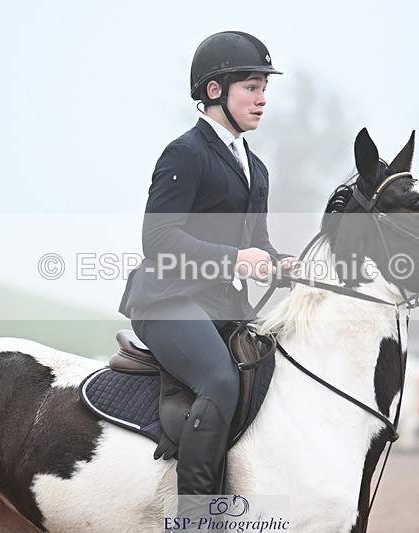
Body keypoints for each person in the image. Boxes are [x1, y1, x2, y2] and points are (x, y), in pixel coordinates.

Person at [119, 31, 292, 501]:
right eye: (252, 88)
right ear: (215, 91)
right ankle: (194, 516)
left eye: (264, 89)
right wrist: (237, 260)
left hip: (222, 304)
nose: (262, 100)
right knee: (219, 378)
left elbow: (257, 244)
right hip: (167, 300)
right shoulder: (186, 154)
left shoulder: (257, 170)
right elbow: (157, 239)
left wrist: (286, 266)